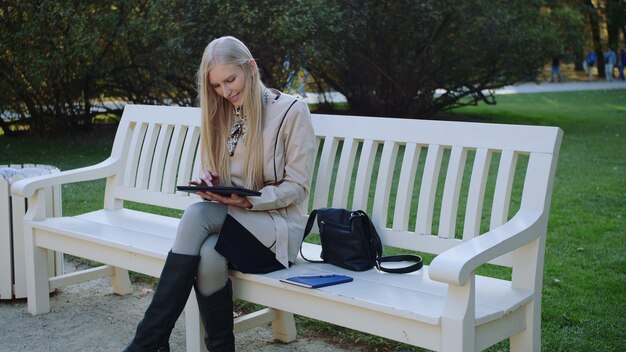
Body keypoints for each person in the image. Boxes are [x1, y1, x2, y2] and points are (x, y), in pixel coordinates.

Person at [123, 36, 316, 352]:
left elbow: (297, 187)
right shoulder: (225, 113)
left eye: (231, 79)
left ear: (250, 68)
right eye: (216, 86)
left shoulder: (292, 112)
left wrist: (249, 199)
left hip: (276, 233)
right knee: (209, 255)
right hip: (234, 225)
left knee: (196, 215)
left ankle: (149, 340)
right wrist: (210, 181)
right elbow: (225, 176)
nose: (225, 91)